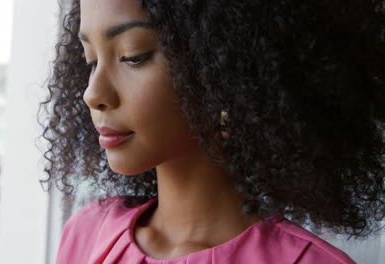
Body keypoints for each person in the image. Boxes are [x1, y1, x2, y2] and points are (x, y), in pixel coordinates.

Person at [40, 0, 385, 263]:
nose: (93, 93)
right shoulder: (87, 234)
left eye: (133, 56)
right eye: (90, 61)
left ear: (224, 64)